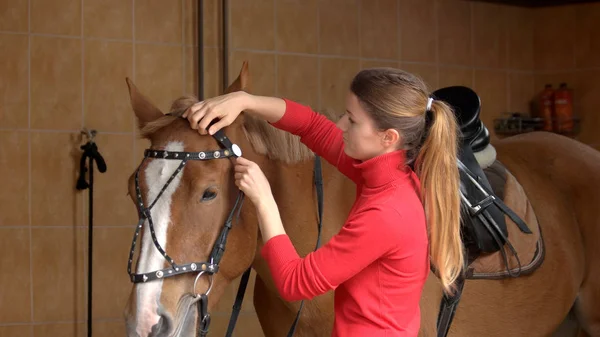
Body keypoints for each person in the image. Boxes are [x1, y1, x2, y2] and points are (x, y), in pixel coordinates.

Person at [183, 67, 464, 336]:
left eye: (352, 120)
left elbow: (297, 282)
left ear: (388, 138)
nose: (341, 125)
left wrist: (264, 200)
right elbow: (311, 125)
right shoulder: (386, 175)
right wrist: (245, 101)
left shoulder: (387, 212)